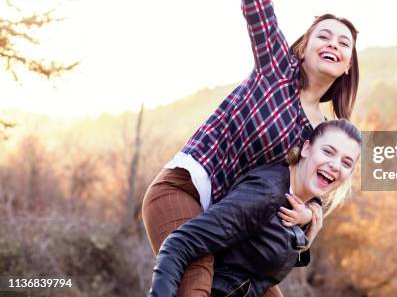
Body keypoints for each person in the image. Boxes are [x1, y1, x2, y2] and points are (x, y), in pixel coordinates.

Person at [141, 0, 360, 296]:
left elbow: (301, 188)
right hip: (186, 190)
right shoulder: (275, 70)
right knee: (194, 284)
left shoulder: (324, 135)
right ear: (304, 47)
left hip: (232, 228)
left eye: (343, 42)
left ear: (348, 63)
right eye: (323, 36)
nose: (333, 43)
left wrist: (313, 218)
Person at [149, 120, 362, 297]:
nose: (335, 165)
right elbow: (179, 243)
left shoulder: (299, 202)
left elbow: (262, 249)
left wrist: (304, 239)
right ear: (306, 148)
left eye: (346, 163)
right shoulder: (266, 193)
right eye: (328, 152)